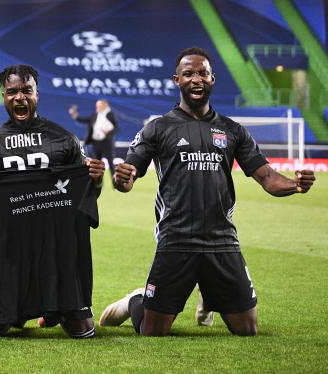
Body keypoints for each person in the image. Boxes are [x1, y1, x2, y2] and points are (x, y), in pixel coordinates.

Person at [99, 47, 316, 337]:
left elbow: (267, 177)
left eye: (203, 73)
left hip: (221, 240)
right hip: (176, 238)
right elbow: (127, 179)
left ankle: (209, 291)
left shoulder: (232, 130)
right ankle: (135, 300)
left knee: (247, 329)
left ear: (212, 78)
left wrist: (295, 184)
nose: (196, 79)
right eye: (188, 74)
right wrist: (120, 180)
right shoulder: (158, 128)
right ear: (177, 80)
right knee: (153, 332)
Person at [0, 64, 106, 339]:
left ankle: (50, 308)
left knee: (82, 329)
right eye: (12, 92)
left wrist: (97, 179)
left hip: (56, 246)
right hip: (10, 247)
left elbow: (85, 196)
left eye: (26, 90)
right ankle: (25, 310)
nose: (19, 97)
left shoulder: (65, 140)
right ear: (3, 96)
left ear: (37, 94)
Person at [69, 99, 118, 180]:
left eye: (99, 105)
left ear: (104, 106)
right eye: (97, 105)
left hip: (107, 143)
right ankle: (98, 184)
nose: (97, 107)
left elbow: (116, 128)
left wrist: (108, 132)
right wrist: (74, 114)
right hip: (96, 143)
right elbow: (83, 120)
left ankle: (115, 183)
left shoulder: (110, 115)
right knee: (96, 165)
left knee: (110, 163)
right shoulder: (94, 115)